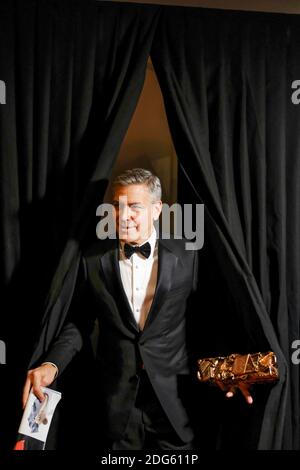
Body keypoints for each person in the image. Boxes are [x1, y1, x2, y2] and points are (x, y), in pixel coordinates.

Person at [22, 168, 252, 450]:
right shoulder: (92, 259)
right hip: (116, 405)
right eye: (117, 206)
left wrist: (226, 370)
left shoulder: (189, 255)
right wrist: (51, 364)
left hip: (177, 404)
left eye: (134, 206)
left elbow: (207, 320)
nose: (123, 215)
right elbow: (78, 322)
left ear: (156, 210)